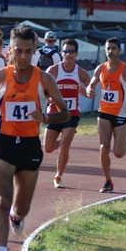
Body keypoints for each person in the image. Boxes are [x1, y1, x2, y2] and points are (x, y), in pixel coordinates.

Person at [0, 25, 69, 251]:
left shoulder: (44, 79)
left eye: (27, 52)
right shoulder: (0, 76)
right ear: (9, 50)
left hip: (30, 146)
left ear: (34, 51)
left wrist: (47, 116)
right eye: (17, 51)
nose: (22, 57)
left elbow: (65, 113)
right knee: (1, 200)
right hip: (3, 143)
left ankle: (16, 217)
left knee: (22, 207)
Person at [86, 37, 126, 193]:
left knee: (118, 153)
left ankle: (124, 144)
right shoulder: (100, 68)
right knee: (104, 148)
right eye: (108, 48)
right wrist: (89, 91)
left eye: (113, 48)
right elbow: (91, 85)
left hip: (120, 114)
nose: (110, 51)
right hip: (104, 113)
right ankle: (108, 181)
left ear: (119, 50)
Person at [44, 39, 90, 188]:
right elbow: (42, 90)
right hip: (54, 113)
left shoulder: (81, 73)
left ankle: (59, 176)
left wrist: (87, 92)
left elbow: (91, 92)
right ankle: (63, 140)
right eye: (65, 51)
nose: (68, 54)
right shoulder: (53, 70)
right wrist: (48, 97)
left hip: (72, 114)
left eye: (71, 51)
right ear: (61, 53)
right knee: (48, 148)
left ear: (76, 54)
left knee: (65, 147)